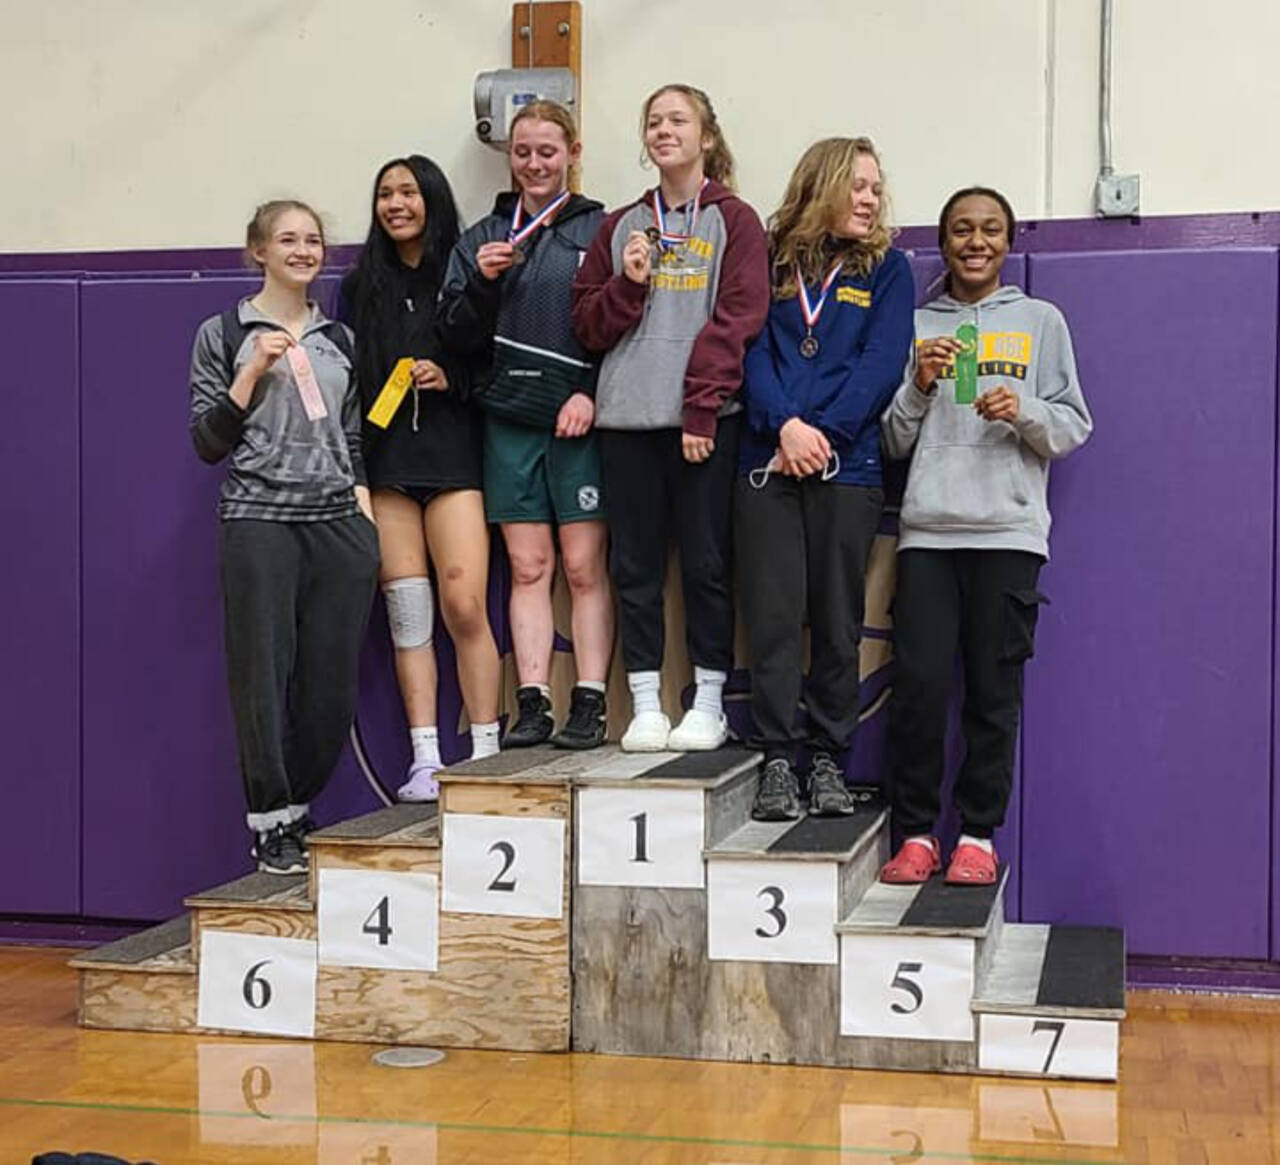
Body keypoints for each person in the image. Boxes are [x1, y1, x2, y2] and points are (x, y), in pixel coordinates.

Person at [880, 186, 1092, 885]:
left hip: (1008, 532)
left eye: (991, 230)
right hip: (929, 535)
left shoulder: (1040, 321)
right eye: (963, 230)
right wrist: (917, 383)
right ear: (942, 243)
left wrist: (1024, 410)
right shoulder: (913, 324)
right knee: (918, 686)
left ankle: (976, 834)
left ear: (1008, 242)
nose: (976, 241)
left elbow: (1072, 426)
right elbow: (891, 438)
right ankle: (914, 832)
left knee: (993, 693)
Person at [572, 83, 769, 752]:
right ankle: (648, 702)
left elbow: (739, 317)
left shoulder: (735, 221)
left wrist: (701, 408)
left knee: (708, 564)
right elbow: (587, 325)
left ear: (706, 137)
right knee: (635, 566)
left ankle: (709, 700)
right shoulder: (620, 225)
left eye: (677, 120)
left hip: (703, 422)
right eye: (653, 121)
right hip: (626, 421)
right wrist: (627, 284)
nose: (663, 130)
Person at [190, 200, 380, 873]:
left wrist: (360, 503)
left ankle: (298, 803)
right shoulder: (222, 331)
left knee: (329, 688)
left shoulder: (341, 340)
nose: (303, 250)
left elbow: (352, 432)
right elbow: (206, 441)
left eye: (313, 240)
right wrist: (248, 374)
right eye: (288, 239)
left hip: (336, 523)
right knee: (262, 677)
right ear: (258, 251)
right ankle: (271, 820)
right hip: (259, 521)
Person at [737, 137, 914, 821]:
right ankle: (780, 759)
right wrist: (784, 425)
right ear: (824, 184)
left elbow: (882, 363)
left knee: (839, 621)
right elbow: (749, 348)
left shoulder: (889, 270)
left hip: (846, 466)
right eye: (859, 185)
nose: (871, 198)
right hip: (769, 463)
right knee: (774, 619)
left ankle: (830, 761)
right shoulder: (770, 257)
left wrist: (823, 435)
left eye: (877, 187)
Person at [439, 102, 612, 750]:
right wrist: (482, 285)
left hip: (575, 418)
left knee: (583, 565)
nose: (535, 163)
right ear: (508, 156)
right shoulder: (481, 235)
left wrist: (590, 390)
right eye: (523, 152)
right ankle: (533, 700)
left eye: (547, 150)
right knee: (527, 565)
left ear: (572, 150)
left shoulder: (602, 229)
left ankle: (590, 698)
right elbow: (452, 334)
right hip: (508, 417)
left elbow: (625, 320)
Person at [342, 156, 501, 804]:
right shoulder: (361, 288)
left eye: (408, 191)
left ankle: (486, 748)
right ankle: (425, 756)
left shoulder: (462, 273)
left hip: (454, 461)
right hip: (388, 471)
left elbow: (489, 365)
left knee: (463, 603)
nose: (396, 203)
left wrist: (450, 378)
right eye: (385, 193)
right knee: (408, 616)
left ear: (432, 199)